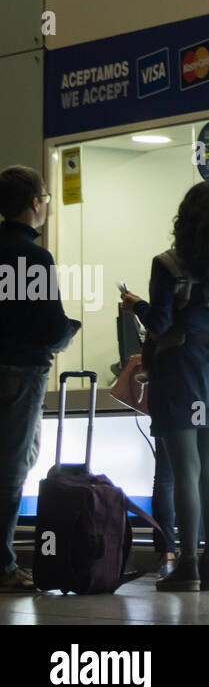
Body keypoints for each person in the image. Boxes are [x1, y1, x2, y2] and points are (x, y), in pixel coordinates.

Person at [120, 182, 209, 592]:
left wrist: (136, 306)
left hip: (179, 367)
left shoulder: (167, 264)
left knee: (185, 469)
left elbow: (160, 324)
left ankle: (188, 564)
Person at [0, 165, 80, 592]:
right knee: (12, 469)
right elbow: (50, 327)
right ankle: (3, 563)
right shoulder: (34, 258)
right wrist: (71, 330)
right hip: (22, 373)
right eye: (45, 199)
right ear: (34, 204)